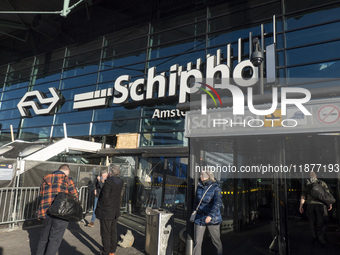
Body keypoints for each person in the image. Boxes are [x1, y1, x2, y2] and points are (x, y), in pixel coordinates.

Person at [36, 164, 78, 255]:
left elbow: (41, 194)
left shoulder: (45, 179)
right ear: (67, 172)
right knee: (54, 240)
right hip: (61, 213)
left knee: (43, 238)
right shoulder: (67, 179)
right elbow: (75, 196)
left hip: (46, 212)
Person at [96, 164, 124, 255]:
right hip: (115, 210)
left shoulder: (109, 182)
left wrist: (101, 183)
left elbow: (104, 197)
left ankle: (105, 251)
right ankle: (112, 250)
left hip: (107, 211)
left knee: (105, 232)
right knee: (113, 231)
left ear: (110, 172)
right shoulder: (121, 181)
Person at [193, 170, 223, 255]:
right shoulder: (199, 187)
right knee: (197, 242)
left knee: (216, 241)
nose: (200, 176)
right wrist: (194, 212)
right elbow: (196, 202)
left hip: (212, 218)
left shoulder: (215, 187)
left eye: (202, 174)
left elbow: (217, 203)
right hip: (200, 218)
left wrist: (210, 215)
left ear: (208, 176)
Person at [299, 171, 333, 246]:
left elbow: (303, 196)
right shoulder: (322, 183)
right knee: (322, 222)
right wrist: (329, 203)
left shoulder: (307, 185)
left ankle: (314, 237)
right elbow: (327, 194)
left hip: (310, 205)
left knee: (312, 222)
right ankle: (321, 238)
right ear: (316, 176)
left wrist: (301, 206)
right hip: (321, 205)